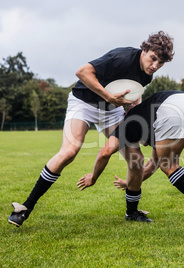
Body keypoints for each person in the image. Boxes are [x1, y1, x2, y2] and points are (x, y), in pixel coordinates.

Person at [8, 31, 175, 227]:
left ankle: (132, 212)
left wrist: (133, 110)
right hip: (84, 103)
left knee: (136, 158)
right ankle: (25, 207)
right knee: (69, 152)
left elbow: (134, 94)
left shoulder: (148, 75)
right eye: (153, 58)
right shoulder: (121, 57)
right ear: (144, 50)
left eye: (160, 63)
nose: (155, 66)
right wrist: (108, 97)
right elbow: (82, 72)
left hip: (111, 110)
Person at [76, 90, 184, 234]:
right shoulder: (150, 116)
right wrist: (129, 183)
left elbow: (104, 153)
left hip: (170, 109)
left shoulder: (129, 121)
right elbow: (153, 164)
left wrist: (93, 177)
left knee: (169, 166)